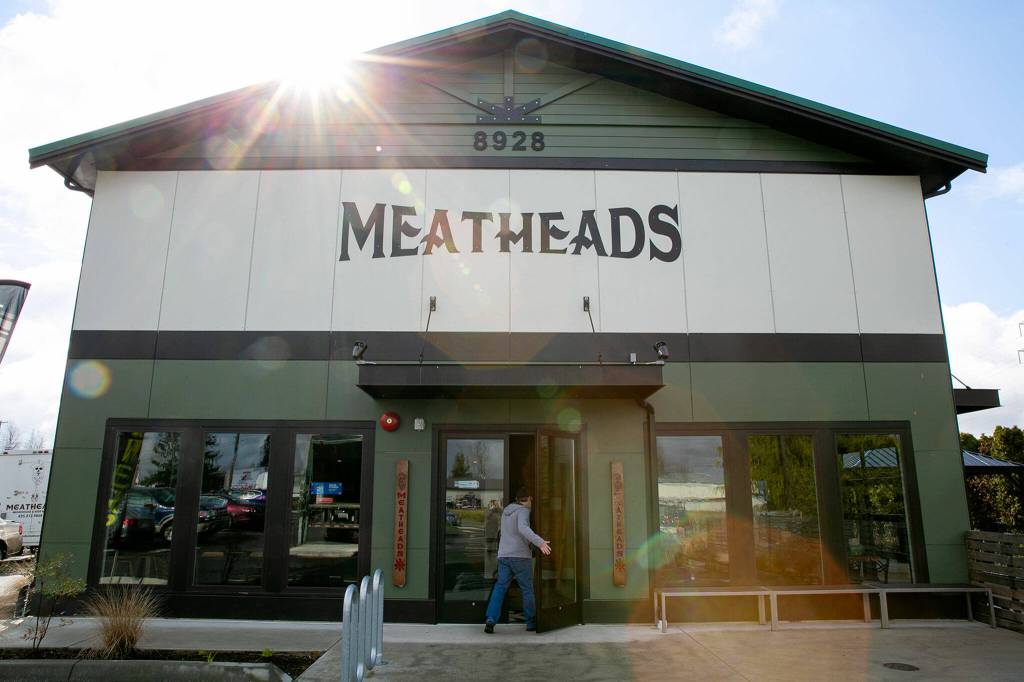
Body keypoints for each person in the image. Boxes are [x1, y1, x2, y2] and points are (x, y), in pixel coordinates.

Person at [484, 487, 551, 633]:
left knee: (500, 587)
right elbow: (522, 528)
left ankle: (490, 619)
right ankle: (531, 622)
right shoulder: (523, 511)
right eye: (531, 500)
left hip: (504, 555)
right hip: (520, 556)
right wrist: (540, 542)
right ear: (529, 499)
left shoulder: (506, 512)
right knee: (527, 589)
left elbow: (507, 532)